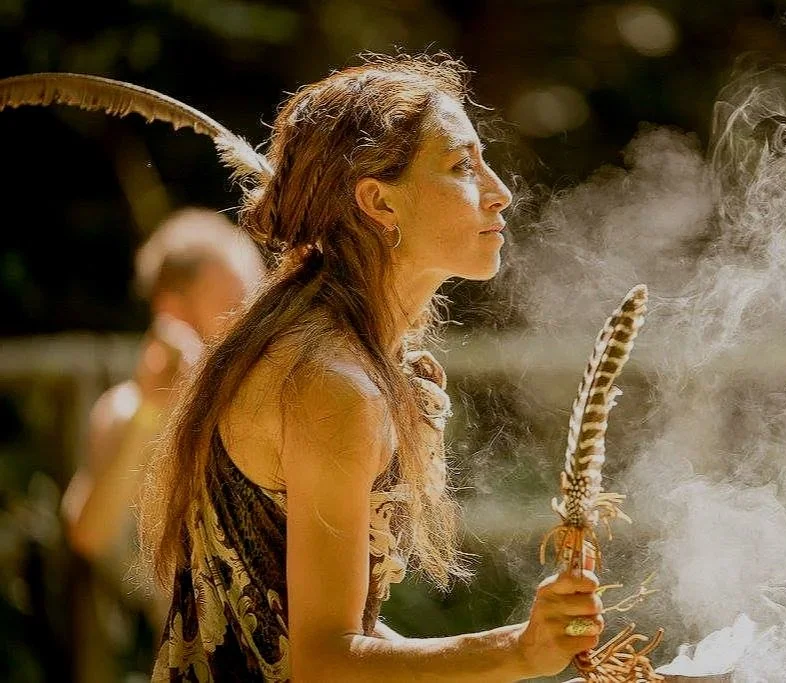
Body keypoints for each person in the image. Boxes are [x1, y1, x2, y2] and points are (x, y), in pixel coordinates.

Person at [138, 53, 606, 682]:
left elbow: (333, 633)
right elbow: (325, 662)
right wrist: (518, 651)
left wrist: (514, 654)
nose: (501, 192)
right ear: (379, 203)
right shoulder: (331, 385)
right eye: (462, 165)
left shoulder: (343, 357)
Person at [61, 208, 265, 665]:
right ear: (172, 313)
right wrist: (155, 411)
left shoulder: (268, 399)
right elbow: (90, 535)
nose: (253, 317)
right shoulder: (126, 413)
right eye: (234, 301)